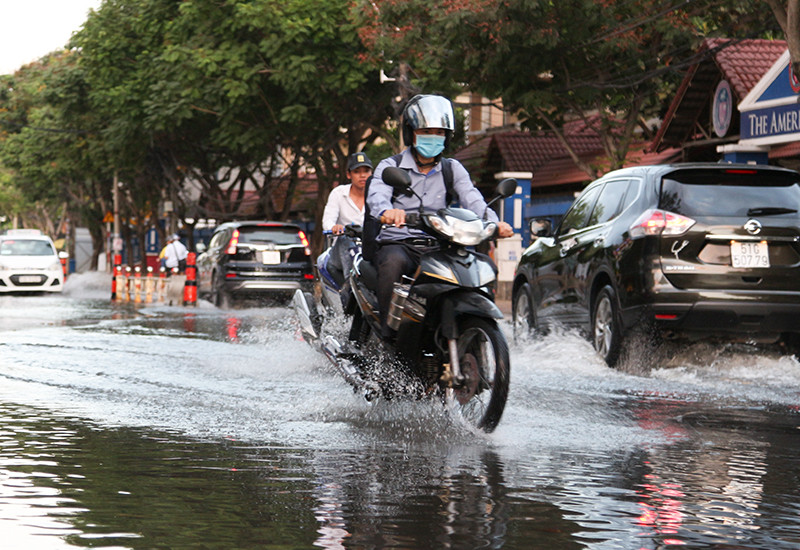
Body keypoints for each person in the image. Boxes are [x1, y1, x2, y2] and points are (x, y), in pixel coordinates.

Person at [366, 94, 513, 338]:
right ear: (411, 133)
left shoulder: (452, 168)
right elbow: (377, 196)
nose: (433, 137)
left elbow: (472, 198)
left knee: (478, 265)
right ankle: (388, 335)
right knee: (393, 264)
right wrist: (387, 212)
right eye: (426, 131)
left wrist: (494, 223)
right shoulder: (391, 166)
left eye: (439, 132)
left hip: (440, 244)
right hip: (400, 243)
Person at [319, 152, 372, 288]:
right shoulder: (338, 193)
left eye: (366, 171)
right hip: (341, 250)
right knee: (345, 241)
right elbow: (327, 222)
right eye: (357, 171)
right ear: (349, 175)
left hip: (369, 249)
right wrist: (335, 228)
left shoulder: (379, 195)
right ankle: (351, 288)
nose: (362, 175)